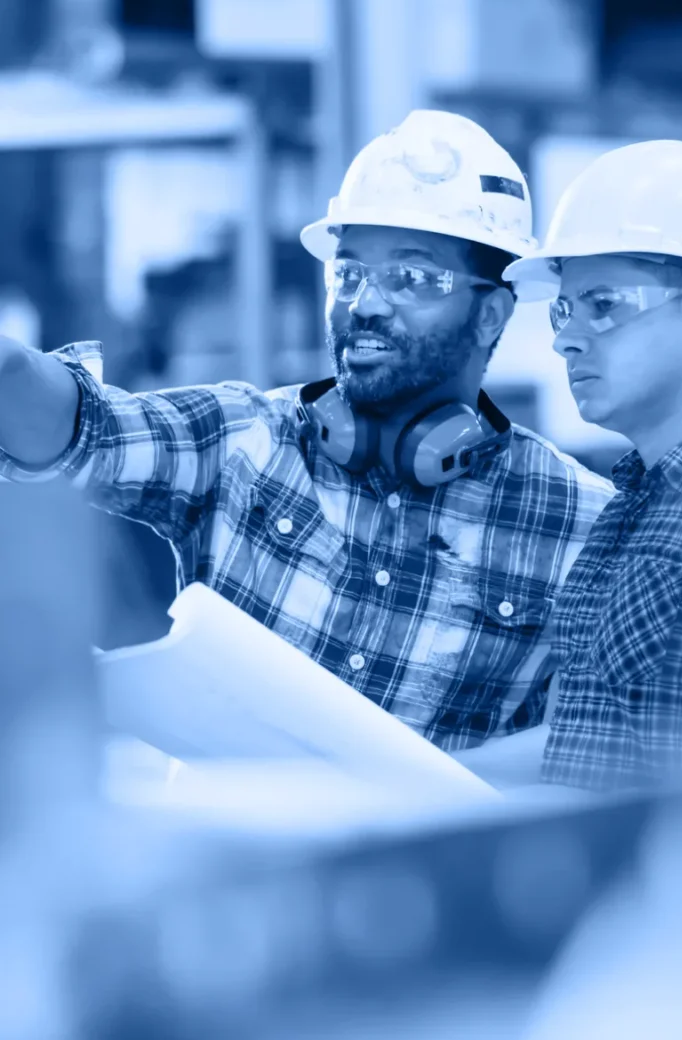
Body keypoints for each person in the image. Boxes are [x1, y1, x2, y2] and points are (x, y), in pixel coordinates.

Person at [0, 110, 611, 760]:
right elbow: (79, 427)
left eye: (412, 277)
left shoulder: (583, 524)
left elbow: (594, 749)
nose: (367, 303)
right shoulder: (244, 441)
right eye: (348, 273)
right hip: (230, 852)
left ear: (491, 314)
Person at [504, 138, 682, 793]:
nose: (565, 337)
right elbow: (579, 741)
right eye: (564, 308)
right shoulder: (630, 511)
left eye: (603, 305)